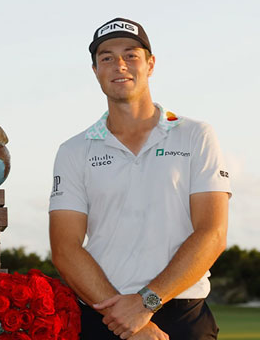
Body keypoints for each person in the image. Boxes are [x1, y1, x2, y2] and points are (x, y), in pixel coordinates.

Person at [49, 17, 231, 340]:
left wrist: (146, 303)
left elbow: (213, 233)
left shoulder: (196, 136)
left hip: (183, 315)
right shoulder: (73, 150)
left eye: (131, 55)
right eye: (107, 57)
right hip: (103, 316)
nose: (119, 64)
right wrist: (127, 319)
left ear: (150, 64)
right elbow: (65, 248)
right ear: (95, 71)